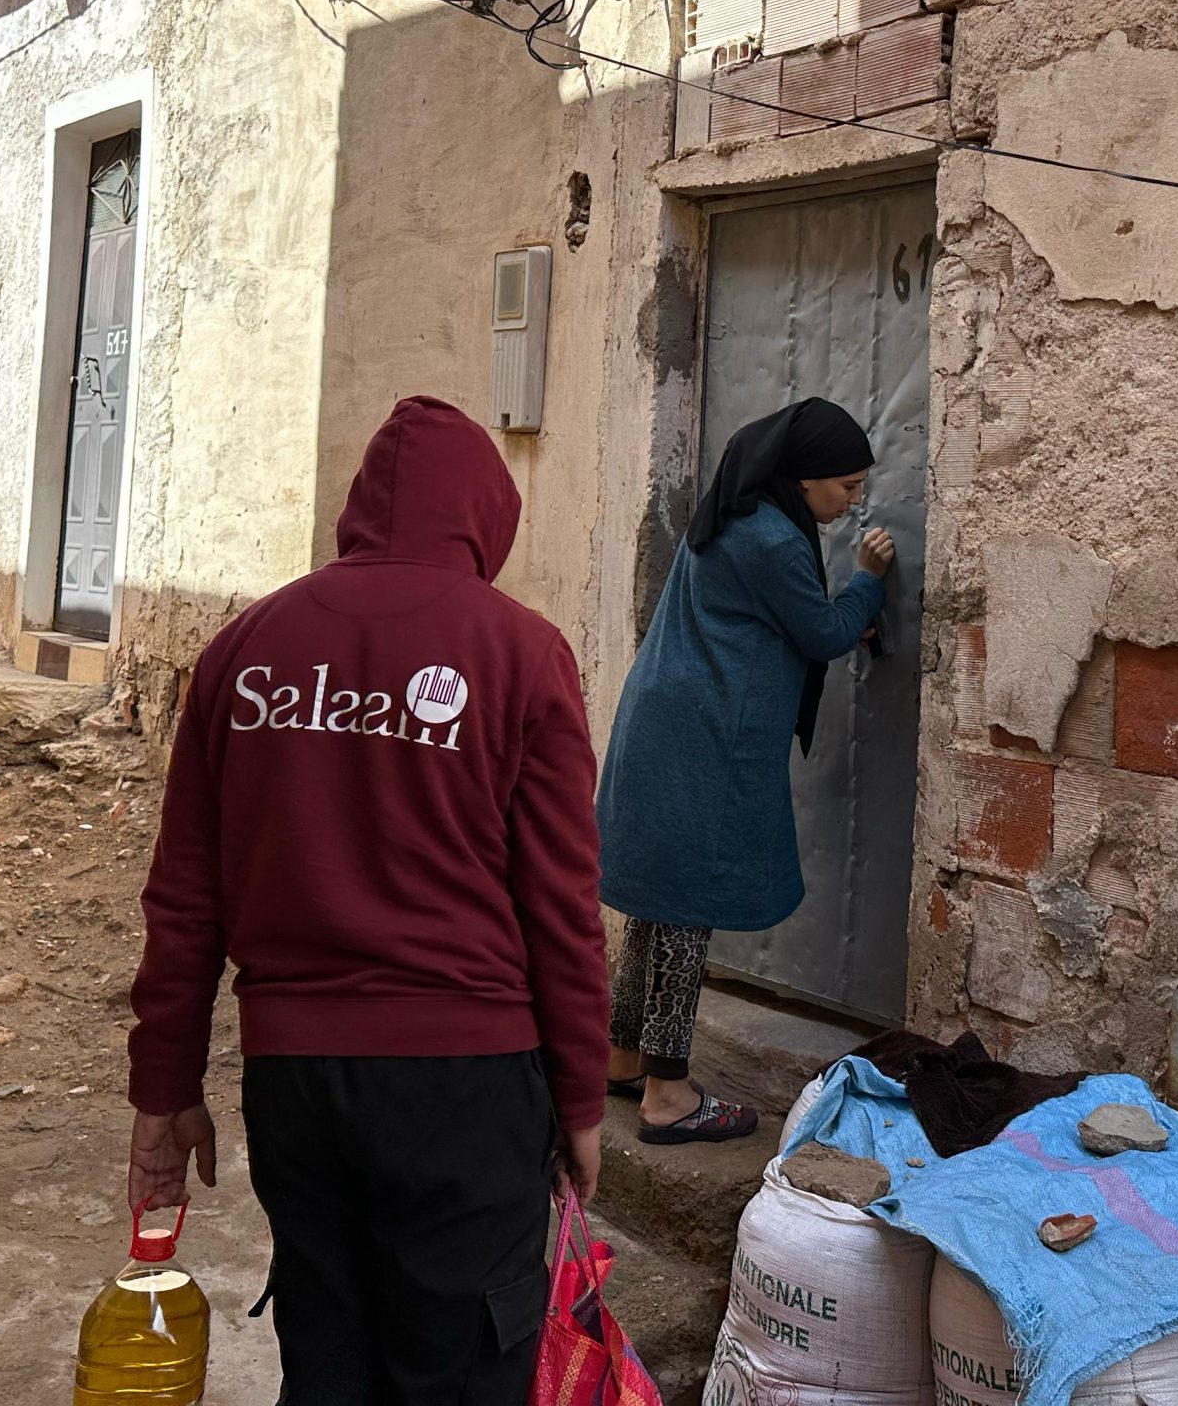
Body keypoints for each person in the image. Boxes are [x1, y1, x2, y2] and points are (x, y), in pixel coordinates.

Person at [122, 396, 607, 1406]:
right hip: (465, 1087)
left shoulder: (243, 649)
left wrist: (165, 1088)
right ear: (484, 517)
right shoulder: (521, 653)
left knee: (329, 1358)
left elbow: (185, 899)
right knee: (459, 1370)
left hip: (295, 1086)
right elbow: (562, 906)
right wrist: (580, 1100)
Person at [596, 396, 897, 1142]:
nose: (855, 500)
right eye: (847, 485)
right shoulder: (773, 541)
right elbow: (821, 632)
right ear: (804, 477)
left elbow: (774, 621)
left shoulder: (735, 513)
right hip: (704, 741)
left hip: (664, 723)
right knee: (687, 907)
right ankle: (669, 1095)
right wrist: (866, 582)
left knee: (657, 905)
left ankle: (623, 1057)